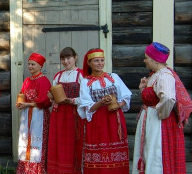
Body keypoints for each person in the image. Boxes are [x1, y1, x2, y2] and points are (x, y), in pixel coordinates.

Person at [132, 42, 192, 174]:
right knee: (149, 152)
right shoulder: (155, 74)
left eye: (146, 57)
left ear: (154, 59)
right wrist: (143, 88)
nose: (144, 60)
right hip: (151, 120)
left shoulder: (164, 76)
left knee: (156, 153)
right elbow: (154, 96)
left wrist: (161, 114)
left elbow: (169, 98)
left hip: (159, 123)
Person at [77, 48, 132, 174]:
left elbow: (126, 96)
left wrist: (118, 104)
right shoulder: (86, 82)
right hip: (98, 121)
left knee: (116, 151)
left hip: (114, 118)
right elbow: (87, 107)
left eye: (102, 60)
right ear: (89, 63)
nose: (100, 63)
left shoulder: (114, 77)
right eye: (96, 61)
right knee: (100, 152)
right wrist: (101, 102)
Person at [47, 47, 84, 174]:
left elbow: (86, 97)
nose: (66, 61)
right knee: (59, 144)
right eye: (63, 59)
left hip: (74, 114)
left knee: (73, 143)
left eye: (68, 58)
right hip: (59, 114)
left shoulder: (81, 74)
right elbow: (54, 97)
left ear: (75, 58)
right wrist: (51, 96)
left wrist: (73, 100)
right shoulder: (58, 76)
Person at [16, 53, 52, 174]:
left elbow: (45, 101)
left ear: (40, 66)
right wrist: (20, 104)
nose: (30, 66)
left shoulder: (44, 81)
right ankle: (25, 169)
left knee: (37, 142)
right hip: (27, 114)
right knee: (25, 140)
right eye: (29, 64)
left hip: (39, 115)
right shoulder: (27, 80)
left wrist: (27, 104)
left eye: (33, 64)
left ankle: (37, 170)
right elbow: (22, 95)